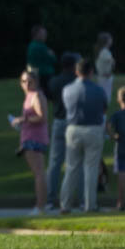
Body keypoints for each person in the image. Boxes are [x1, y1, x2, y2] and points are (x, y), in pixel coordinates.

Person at [58, 58, 109, 213]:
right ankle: (90, 205)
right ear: (91, 72)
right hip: (93, 128)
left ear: (76, 71)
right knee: (91, 169)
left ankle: (65, 205)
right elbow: (104, 109)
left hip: (73, 129)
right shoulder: (99, 90)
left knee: (71, 168)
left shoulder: (67, 89)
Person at [45, 52, 80, 206]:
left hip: (59, 121)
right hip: (74, 122)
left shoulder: (54, 81)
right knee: (76, 163)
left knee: (54, 163)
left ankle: (50, 199)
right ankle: (81, 199)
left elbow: (50, 98)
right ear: (74, 66)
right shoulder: (76, 82)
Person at [12, 68, 49, 214]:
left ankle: (40, 207)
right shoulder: (29, 96)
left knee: (39, 173)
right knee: (38, 173)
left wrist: (23, 119)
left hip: (35, 139)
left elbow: (42, 117)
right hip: (29, 137)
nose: (26, 84)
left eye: (29, 81)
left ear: (36, 82)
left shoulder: (36, 95)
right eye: (23, 81)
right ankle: (41, 205)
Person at [109, 86, 125, 211]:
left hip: (122, 146)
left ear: (119, 99)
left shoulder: (117, 114)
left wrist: (113, 136)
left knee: (122, 173)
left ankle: (121, 202)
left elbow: (108, 126)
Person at [26, 24, 56, 91]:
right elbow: (52, 59)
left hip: (35, 73)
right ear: (36, 34)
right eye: (43, 33)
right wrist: (52, 55)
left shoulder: (31, 45)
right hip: (45, 75)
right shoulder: (40, 47)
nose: (45, 35)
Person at [95, 32, 115, 103]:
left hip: (102, 77)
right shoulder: (105, 51)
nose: (111, 40)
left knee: (103, 96)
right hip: (105, 77)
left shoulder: (102, 51)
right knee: (105, 98)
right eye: (110, 39)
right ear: (107, 41)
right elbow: (112, 62)